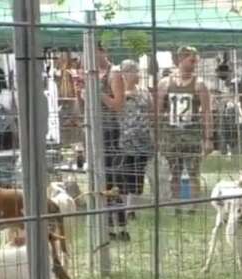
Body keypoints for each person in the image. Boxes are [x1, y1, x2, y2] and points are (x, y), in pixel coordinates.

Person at [156, 46, 212, 213]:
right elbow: (158, 111)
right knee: (174, 173)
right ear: (181, 59)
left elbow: (207, 112)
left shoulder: (200, 85)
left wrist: (208, 138)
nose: (194, 64)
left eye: (196, 61)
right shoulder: (165, 83)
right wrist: (157, 134)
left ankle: (194, 207)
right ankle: (176, 206)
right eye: (191, 60)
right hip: (171, 135)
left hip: (192, 135)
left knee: (194, 172)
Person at [86, 42, 126, 237]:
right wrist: (82, 93)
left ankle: (120, 226)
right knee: (95, 179)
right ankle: (102, 225)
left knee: (111, 180)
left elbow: (118, 105)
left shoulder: (114, 74)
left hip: (110, 131)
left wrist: (97, 93)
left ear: (103, 51)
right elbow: (83, 107)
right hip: (92, 131)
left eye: (93, 52)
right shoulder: (89, 74)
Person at [116, 59, 154, 238]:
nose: (136, 74)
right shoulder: (120, 93)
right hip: (126, 141)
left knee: (138, 176)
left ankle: (132, 209)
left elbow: (152, 112)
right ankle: (124, 208)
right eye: (132, 71)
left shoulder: (145, 92)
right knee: (126, 176)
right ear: (124, 74)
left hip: (144, 140)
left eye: (137, 71)